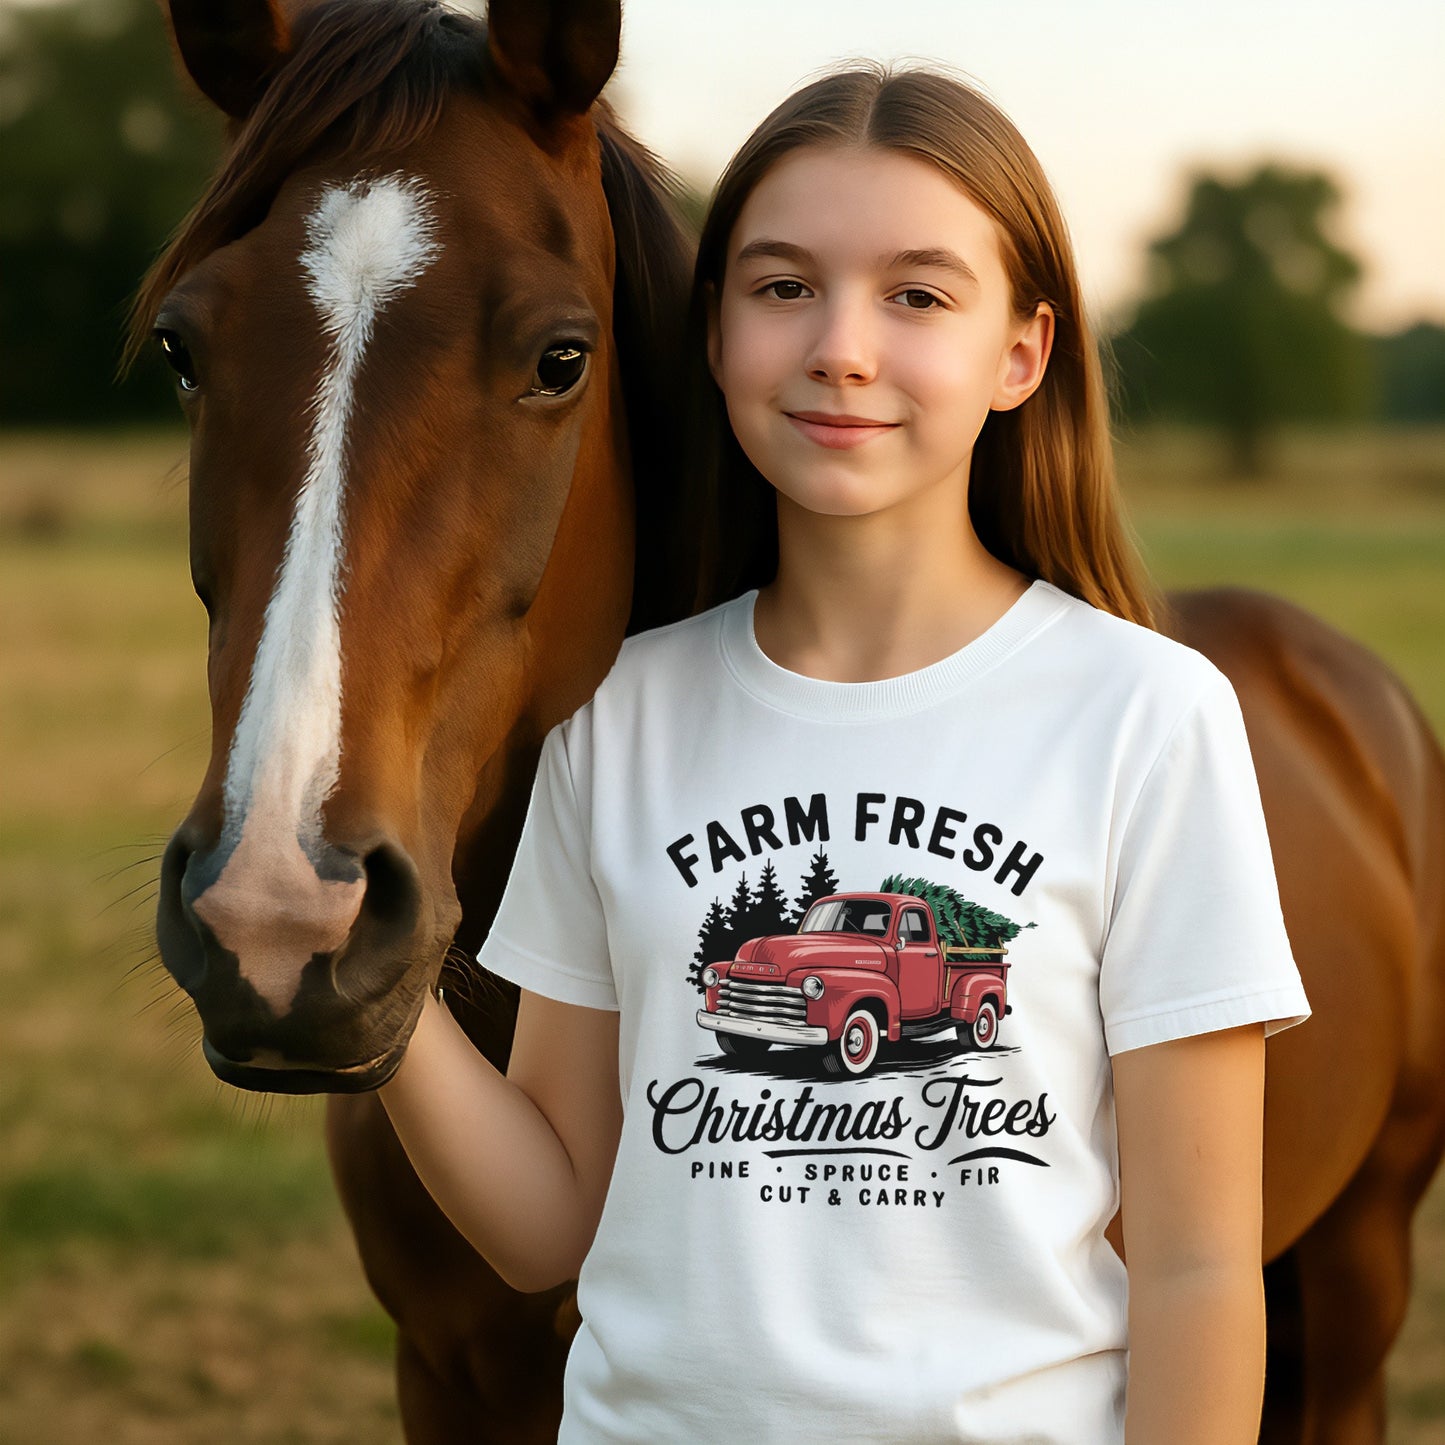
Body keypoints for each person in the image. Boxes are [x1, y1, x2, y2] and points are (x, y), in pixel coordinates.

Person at [379, 62, 1312, 1444]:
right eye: (780, 285)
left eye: (917, 294)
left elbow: (1192, 1266)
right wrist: (375, 986)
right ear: (712, 333)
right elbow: (546, 1220)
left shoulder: (1146, 715)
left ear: (1021, 352)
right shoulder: (614, 714)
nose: (842, 346)